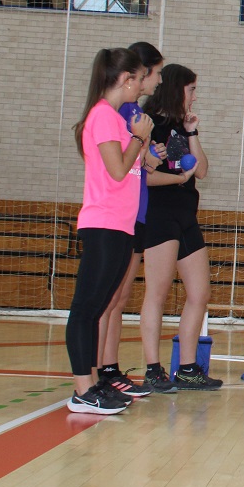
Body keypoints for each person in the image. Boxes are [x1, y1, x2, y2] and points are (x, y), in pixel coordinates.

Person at [65, 48, 152, 415]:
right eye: (139, 78)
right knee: (86, 309)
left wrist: (140, 140)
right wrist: (138, 138)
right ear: (127, 78)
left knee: (100, 305)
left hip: (120, 225)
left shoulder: (117, 120)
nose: (141, 86)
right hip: (102, 224)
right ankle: (82, 389)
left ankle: (96, 380)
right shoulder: (102, 116)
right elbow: (117, 171)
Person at [137, 63, 220, 392]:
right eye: (191, 90)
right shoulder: (149, 125)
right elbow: (144, 177)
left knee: (200, 293)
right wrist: (178, 177)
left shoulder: (181, 126)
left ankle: (187, 367)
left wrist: (192, 131)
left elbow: (201, 172)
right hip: (160, 213)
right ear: (176, 89)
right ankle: (152, 368)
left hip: (186, 214)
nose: (195, 97)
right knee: (157, 293)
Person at [95, 41, 163, 399]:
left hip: (136, 211)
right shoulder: (121, 113)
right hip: (119, 214)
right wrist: (142, 141)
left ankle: (109, 366)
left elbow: (142, 163)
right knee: (109, 299)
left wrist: (150, 152)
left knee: (118, 299)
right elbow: (120, 166)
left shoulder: (133, 112)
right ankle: (101, 370)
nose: (157, 79)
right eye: (155, 73)